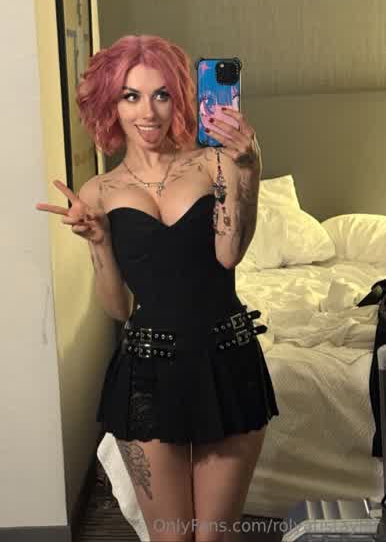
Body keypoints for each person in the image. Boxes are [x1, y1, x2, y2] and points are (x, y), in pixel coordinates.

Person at [36, 34, 279, 542]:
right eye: (131, 96)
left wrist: (249, 172)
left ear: (180, 100)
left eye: (161, 94)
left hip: (226, 357)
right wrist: (99, 242)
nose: (147, 112)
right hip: (148, 369)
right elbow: (119, 306)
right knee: (172, 536)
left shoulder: (214, 164)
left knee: (215, 537)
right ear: (112, 104)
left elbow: (228, 254)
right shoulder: (98, 191)